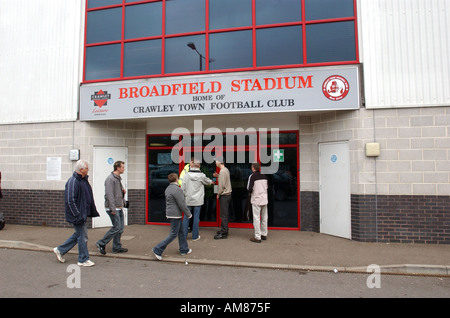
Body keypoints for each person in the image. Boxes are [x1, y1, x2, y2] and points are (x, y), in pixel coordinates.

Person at [53, 160, 99, 266]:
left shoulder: (82, 180)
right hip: (78, 215)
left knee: (79, 234)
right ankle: (83, 259)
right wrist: (77, 214)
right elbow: (70, 200)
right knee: (83, 236)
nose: (88, 170)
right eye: (87, 168)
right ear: (81, 169)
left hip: (81, 214)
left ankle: (60, 250)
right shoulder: (73, 181)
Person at [153, 173, 192, 260]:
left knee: (181, 232)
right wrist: (188, 214)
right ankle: (157, 249)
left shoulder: (168, 189)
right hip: (175, 215)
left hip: (171, 213)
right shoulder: (177, 190)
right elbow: (182, 203)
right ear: (176, 180)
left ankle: (184, 249)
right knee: (173, 234)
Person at [96, 161, 128, 255]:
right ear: (117, 168)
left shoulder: (117, 179)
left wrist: (123, 194)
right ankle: (101, 243)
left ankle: (116, 247)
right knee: (116, 227)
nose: (124, 169)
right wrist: (112, 209)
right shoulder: (110, 179)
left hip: (119, 206)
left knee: (120, 228)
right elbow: (109, 195)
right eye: (122, 167)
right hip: (113, 208)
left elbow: (117, 194)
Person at [181, 158, 214, 241]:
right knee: (196, 218)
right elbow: (208, 182)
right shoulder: (201, 175)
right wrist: (212, 182)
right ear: (199, 165)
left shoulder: (186, 175)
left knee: (186, 217)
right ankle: (195, 236)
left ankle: (184, 236)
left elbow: (182, 188)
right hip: (198, 201)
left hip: (188, 200)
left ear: (192, 165)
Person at [247, 162, 269, 243]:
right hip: (264, 200)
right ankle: (264, 234)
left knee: (256, 218)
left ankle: (257, 237)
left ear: (253, 168)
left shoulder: (252, 176)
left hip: (256, 200)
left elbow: (249, 188)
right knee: (264, 218)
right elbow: (267, 187)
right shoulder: (265, 176)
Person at [213, 158, 232, 239]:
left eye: (216, 162)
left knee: (223, 215)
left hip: (224, 195)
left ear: (219, 162)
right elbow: (224, 179)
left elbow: (222, 185)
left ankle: (224, 233)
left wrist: (218, 193)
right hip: (227, 194)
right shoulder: (225, 170)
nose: (215, 163)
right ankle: (225, 229)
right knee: (224, 213)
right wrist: (218, 176)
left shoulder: (223, 171)